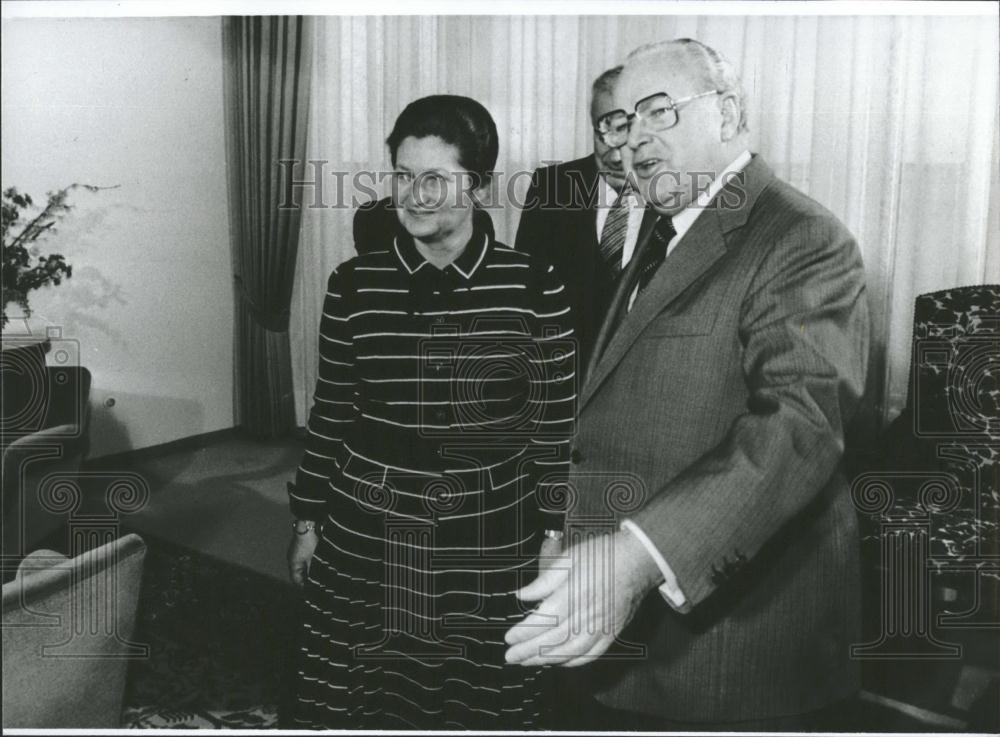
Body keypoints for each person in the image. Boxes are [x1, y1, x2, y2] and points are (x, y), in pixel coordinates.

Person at [505, 38, 871, 731]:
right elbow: (613, 404)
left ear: (729, 114)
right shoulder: (660, 232)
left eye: (658, 112)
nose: (634, 140)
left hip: (733, 647)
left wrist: (636, 557)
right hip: (631, 628)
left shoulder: (802, 238)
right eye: (619, 121)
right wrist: (567, 523)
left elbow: (799, 425)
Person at [286, 94, 576, 730]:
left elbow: (553, 428)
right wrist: (308, 519)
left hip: (487, 530)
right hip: (368, 524)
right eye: (402, 176)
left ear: (477, 185)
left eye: (435, 179)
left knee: (476, 696)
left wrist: (553, 533)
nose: (414, 196)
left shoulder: (534, 284)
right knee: (358, 691)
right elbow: (332, 411)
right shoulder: (353, 284)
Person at [515, 66, 651, 366]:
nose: (615, 157)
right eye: (604, 134)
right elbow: (524, 300)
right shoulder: (550, 187)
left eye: (627, 137)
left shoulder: (679, 195)